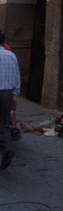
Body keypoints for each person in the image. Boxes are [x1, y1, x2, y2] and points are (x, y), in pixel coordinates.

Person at [0, 29, 21, 169]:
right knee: (4, 123)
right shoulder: (11, 55)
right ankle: (8, 148)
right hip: (7, 93)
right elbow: (17, 77)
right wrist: (14, 95)